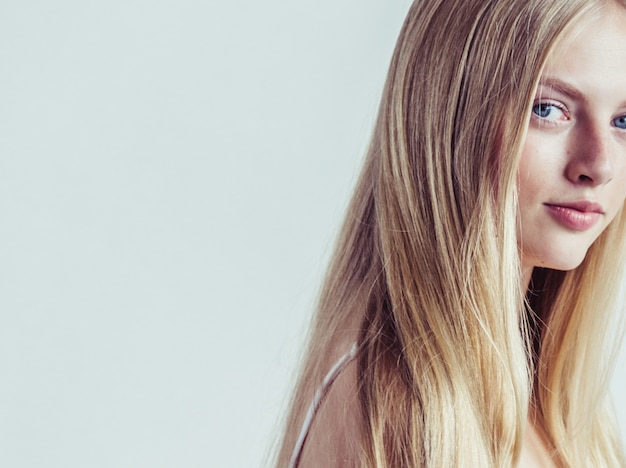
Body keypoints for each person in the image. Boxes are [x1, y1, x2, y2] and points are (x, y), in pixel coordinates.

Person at [275, 0, 626, 466]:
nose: (599, 165)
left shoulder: (553, 407)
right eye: (548, 108)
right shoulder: (398, 406)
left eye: (623, 121)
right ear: (452, 116)